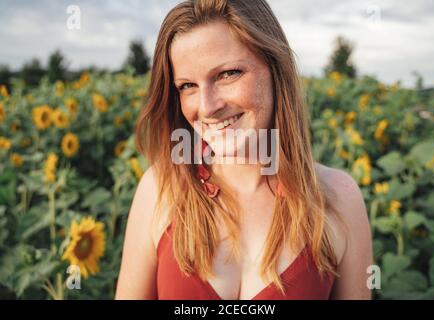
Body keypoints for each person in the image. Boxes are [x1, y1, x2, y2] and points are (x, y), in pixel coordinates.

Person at [115, 0, 373, 300]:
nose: (207, 107)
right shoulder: (159, 190)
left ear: (275, 69)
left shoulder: (340, 199)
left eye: (227, 74)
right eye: (187, 86)